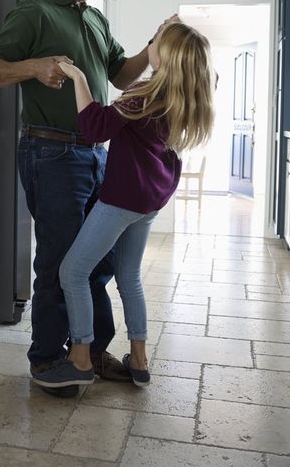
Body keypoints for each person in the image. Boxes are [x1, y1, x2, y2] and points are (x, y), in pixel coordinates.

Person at [0, 0, 161, 395]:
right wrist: (33, 67)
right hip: (51, 152)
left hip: (97, 154)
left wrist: (152, 49)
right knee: (62, 261)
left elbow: (121, 75)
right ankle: (46, 360)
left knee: (97, 262)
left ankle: (91, 353)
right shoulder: (34, 12)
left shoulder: (95, 19)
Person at [32, 20, 215, 390]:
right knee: (129, 276)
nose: (151, 44)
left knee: (72, 273)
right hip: (152, 201)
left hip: (121, 201)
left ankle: (80, 360)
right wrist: (167, 36)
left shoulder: (143, 95)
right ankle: (140, 359)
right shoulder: (184, 96)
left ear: (164, 55)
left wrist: (78, 76)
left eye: (156, 42)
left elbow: (95, 128)